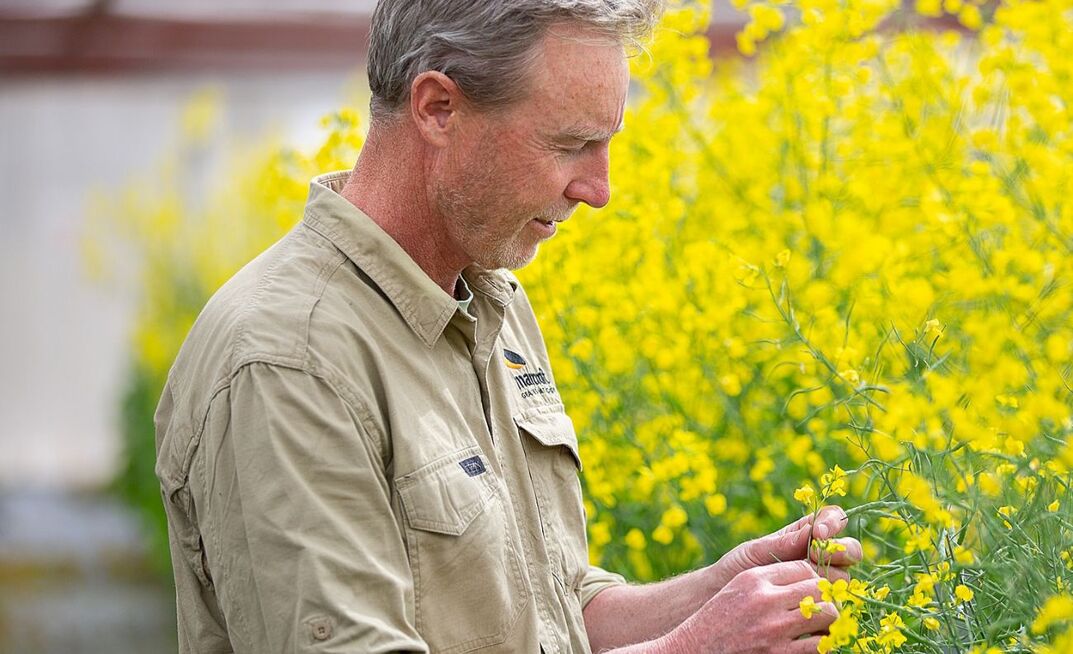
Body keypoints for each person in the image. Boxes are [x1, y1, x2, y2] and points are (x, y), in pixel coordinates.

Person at [154, 1, 863, 652]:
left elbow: (547, 612)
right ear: (437, 109)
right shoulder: (289, 361)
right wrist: (696, 648)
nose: (599, 190)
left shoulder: (490, 299)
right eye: (567, 144)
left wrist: (713, 591)